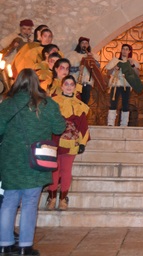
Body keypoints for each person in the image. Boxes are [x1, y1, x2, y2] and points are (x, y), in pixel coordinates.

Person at [0, 69, 65, 256]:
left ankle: (4, 244)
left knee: (9, 201)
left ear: (17, 83)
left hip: (10, 159)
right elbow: (59, 127)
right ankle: (25, 247)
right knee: (30, 202)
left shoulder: (7, 104)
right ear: (37, 83)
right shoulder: (47, 104)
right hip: (36, 159)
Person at [45, 75, 90, 211]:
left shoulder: (80, 105)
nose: (69, 86)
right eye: (66, 84)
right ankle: (52, 198)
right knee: (54, 170)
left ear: (75, 87)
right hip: (54, 141)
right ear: (62, 86)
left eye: (71, 84)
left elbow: (83, 126)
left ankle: (63, 199)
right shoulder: (52, 102)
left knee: (66, 171)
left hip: (71, 142)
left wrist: (82, 143)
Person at [106, 44, 141, 127]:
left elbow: (137, 74)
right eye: (123, 49)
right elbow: (108, 72)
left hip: (126, 84)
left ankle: (124, 124)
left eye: (126, 49)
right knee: (113, 103)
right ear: (121, 50)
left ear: (129, 51)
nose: (124, 51)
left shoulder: (132, 62)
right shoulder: (115, 60)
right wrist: (114, 68)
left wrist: (132, 66)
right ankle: (110, 123)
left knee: (125, 104)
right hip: (116, 84)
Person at [67, 37, 101, 105]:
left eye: (86, 43)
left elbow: (97, 67)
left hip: (87, 83)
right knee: (74, 102)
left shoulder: (93, 55)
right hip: (75, 82)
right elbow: (67, 68)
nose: (84, 45)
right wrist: (77, 68)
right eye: (82, 43)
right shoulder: (73, 55)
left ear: (88, 45)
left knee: (84, 103)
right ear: (79, 44)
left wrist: (92, 59)